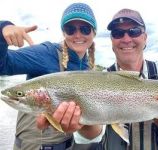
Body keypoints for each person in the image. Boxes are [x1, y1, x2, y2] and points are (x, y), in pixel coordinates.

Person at [0, 3, 104, 150]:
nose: (78, 35)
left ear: (94, 33)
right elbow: (4, 65)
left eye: (85, 29)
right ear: (63, 32)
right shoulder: (46, 53)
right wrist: (3, 29)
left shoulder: (88, 69)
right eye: (71, 29)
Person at [101, 8, 158, 150]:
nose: (126, 39)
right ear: (112, 40)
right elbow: (90, 136)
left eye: (134, 31)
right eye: (118, 33)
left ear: (145, 37)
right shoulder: (99, 79)